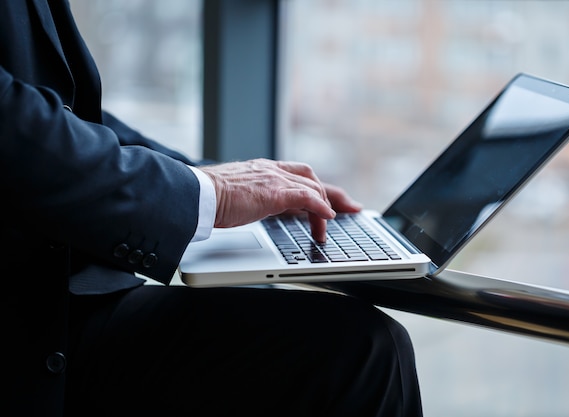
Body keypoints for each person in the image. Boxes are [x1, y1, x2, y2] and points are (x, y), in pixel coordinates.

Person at [1, 1, 423, 416]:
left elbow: (69, 115)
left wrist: (218, 181)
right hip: (32, 324)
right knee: (362, 353)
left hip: (68, 298)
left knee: (359, 348)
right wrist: (210, 194)